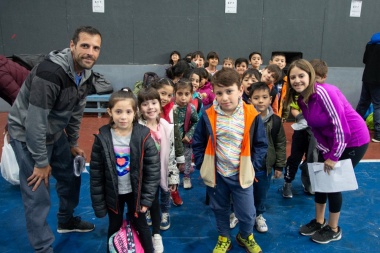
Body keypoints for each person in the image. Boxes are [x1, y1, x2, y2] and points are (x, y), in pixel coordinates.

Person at [7, 26, 101, 253]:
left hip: (55, 133)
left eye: (96, 48)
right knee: (38, 192)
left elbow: (76, 112)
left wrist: (72, 144)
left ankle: (65, 221)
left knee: (71, 176)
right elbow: (35, 122)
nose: (90, 52)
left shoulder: (86, 74)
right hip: (27, 134)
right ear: (72, 46)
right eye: (85, 46)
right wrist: (40, 162)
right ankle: (43, 248)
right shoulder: (50, 74)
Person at [285, 59, 370, 244]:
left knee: (332, 184)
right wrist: (324, 151)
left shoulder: (324, 93)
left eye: (301, 76)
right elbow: (315, 128)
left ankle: (333, 229)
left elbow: (341, 127)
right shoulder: (302, 99)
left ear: (310, 76)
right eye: (293, 77)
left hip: (352, 140)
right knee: (320, 181)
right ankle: (319, 221)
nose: (297, 80)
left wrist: (333, 157)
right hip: (330, 142)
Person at [193, 68, 267, 253]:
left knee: (248, 214)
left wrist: (253, 166)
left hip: (241, 175)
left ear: (241, 90)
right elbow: (198, 141)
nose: (224, 97)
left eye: (229, 91)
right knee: (220, 210)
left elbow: (261, 145)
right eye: (219, 93)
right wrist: (203, 164)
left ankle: (245, 235)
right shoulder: (209, 115)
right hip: (218, 175)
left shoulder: (251, 114)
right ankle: (224, 237)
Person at [90, 88, 160, 252]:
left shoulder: (144, 136)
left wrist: (146, 200)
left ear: (135, 112)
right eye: (118, 111)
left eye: (128, 111)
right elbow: (96, 175)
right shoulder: (103, 138)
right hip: (113, 194)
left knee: (141, 225)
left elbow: (152, 172)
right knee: (114, 226)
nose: (123, 116)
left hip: (135, 194)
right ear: (110, 112)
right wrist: (99, 204)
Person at [137, 87, 180, 253]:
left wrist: (173, 177)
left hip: (158, 175)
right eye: (145, 104)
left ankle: (156, 235)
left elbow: (171, 155)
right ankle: (142, 235)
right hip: (141, 176)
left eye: (154, 103)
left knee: (155, 205)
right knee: (140, 207)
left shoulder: (167, 128)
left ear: (160, 105)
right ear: (139, 107)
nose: (150, 107)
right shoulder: (136, 127)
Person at [249, 82, 286, 233]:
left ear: (270, 99)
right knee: (241, 192)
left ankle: (259, 215)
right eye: (256, 97)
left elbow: (280, 144)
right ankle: (237, 213)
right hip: (247, 164)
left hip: (265, 166)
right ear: (250, 100)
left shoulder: (276, 121)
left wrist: (279, 166)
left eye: (264, 97)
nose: (260, 101)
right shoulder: (246, 118)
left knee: (261, 192)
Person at [151, 78, 185, 206]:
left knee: (171, 177)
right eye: (163, 93)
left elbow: (176, 134)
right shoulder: (147, 110)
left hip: (169, 153)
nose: (165, 98)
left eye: (170, 95)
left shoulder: (172, 110)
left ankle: (173, 192)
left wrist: (180, 155)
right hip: (152, 152)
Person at [173, 79, 199, 189]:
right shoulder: (170, 108)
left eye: (186, 94)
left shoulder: (191, 108)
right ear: (174, 94)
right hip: (171, 141)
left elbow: (196, 121)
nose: (183, 97)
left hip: (184, 141)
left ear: (191, 95)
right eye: (180, 94)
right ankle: (172, 180)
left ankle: (186, 177)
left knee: (187, 158)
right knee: (172, 161)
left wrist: (189, 135)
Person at [356, 32, 380, 142]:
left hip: (367, 77)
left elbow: (365, 60)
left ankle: (353, 126)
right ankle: (378, 135)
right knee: (378, 106)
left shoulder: (370, 43)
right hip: (378, 79)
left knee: (363, 103)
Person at [269, 52, 289, 120]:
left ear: (285, 64)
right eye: (277, 60)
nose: (280, 62)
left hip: (278, 111)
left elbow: (286, 99)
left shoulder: (286, 80)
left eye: (282, 61)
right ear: (271, 62)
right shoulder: (266, 76)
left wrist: (285, 115)